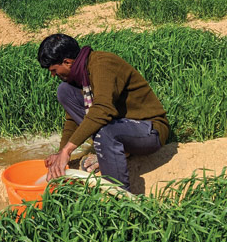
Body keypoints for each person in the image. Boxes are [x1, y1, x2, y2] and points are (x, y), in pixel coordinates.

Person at [37, 34, 169, 192]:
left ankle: (119, 199)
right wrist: (61, 153)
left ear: (67, 62)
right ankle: (117, 152)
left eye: (53, 70)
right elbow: (72, 118)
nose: (53, 75)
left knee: (105, 130)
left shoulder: (101, 63)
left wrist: (68, 151)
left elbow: (103, 109)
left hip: (149, 130)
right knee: (64, 91)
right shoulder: (78, 75)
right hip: (120, 126)